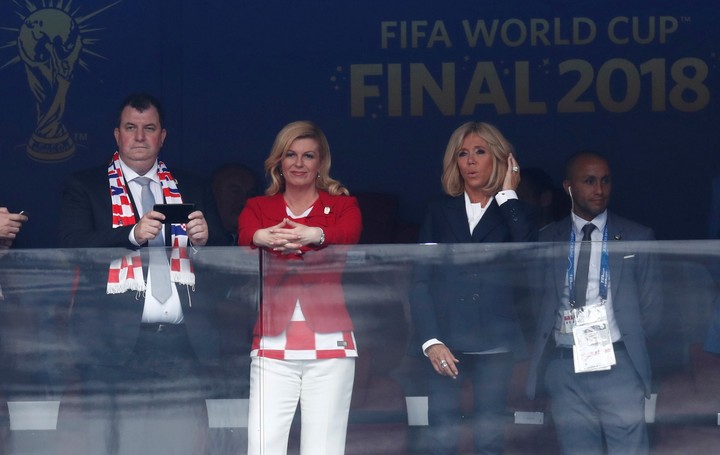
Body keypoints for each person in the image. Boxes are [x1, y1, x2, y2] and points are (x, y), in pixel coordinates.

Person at [57, 93, 227, 454]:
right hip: (113, 345)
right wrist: (131, 235)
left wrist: (205, 241)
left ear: (162, 136)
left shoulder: (192, 185)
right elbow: (72, 245)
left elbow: (228, 256)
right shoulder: (85, 185)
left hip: (181, 342)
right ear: (116, 134)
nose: (139, 137)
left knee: (181, 444)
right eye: (130, 128)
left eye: (148, 128)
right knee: (118, 445)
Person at [409, 121, 537, 454]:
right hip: (445, 341)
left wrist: (507, 194)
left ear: (501, 158)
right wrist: (431, 341)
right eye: (463, 154)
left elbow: (527, 258)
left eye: (480, 152)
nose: (470, 161)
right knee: (441, 435)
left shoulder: (516, 211)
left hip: (496, 342)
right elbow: (420, 280)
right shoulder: (439, 210)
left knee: (490, 437)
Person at [237, 120, 362, 455]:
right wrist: (260, 237)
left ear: (321, 163)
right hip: (272, 343)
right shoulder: (258, 207)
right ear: (279, 161)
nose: (299, 163)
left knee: (324, 448)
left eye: (308, 156)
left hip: (330, 344)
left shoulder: (342, 206)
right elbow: (244, 236)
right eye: (290, 154)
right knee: (262, 447)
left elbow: (348, 234)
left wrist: (315, 235)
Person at [526, 151, 662, 455]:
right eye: (589, 181)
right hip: (565, 365)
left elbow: (652, 312)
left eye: (605, 181)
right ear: (568, 187)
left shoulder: (637, 236)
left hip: (618, 364)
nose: (599, 189)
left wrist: (626, 350)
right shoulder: (548, 238)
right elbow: (537, 306)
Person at [211, 162, 258, 244]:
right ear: (215, 192)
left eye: (251, 194)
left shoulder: (259, 242)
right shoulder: (198, 241)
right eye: (235, 192)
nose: (244, 202)